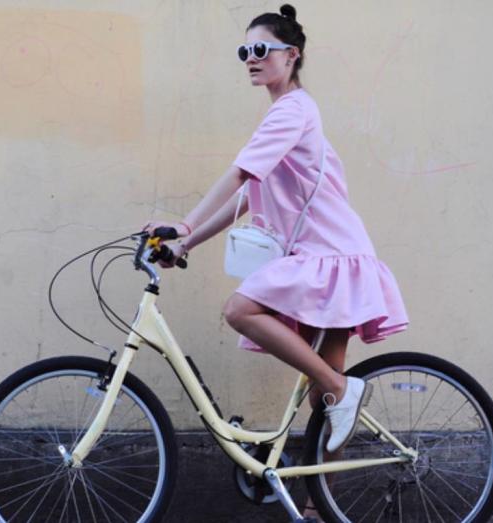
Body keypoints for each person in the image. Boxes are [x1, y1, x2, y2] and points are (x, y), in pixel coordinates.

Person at [142, 5, 409, 513]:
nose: (250, 59)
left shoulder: (293, 110)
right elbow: (245, 200)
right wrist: (186, 243)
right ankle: (316, 506)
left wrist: (183, 222)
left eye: (260, 49)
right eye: (244, 51)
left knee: (242, 311)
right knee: (325, 406)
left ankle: (339, 388)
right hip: (335, 256)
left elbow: (240, 174)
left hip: (331, 256)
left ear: (292, 55)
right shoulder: (285, 114)